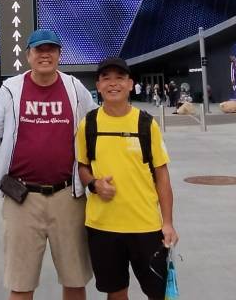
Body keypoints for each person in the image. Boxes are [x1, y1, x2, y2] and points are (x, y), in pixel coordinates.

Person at [0, 29, 96, 300]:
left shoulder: (74, 88)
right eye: (39, 50)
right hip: (22, 198)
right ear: (28, 55)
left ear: (59, 55)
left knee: (75, 280)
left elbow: (94, 125)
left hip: (68, 196)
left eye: (51, 49)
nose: (45, 55)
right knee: (21, 283)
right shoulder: (12, 89)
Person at [76, 57, 178, 300]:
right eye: (106, 78)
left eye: (120, 78)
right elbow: (82, 166)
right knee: (116, 292)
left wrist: (167, 223)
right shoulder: (88, 124)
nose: (113, 83)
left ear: (130, 84)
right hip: (103, 226)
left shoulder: (146, 123)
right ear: (98, 86)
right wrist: (94, 184)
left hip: (145, 225)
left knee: (158, 293)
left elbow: (162, 176)